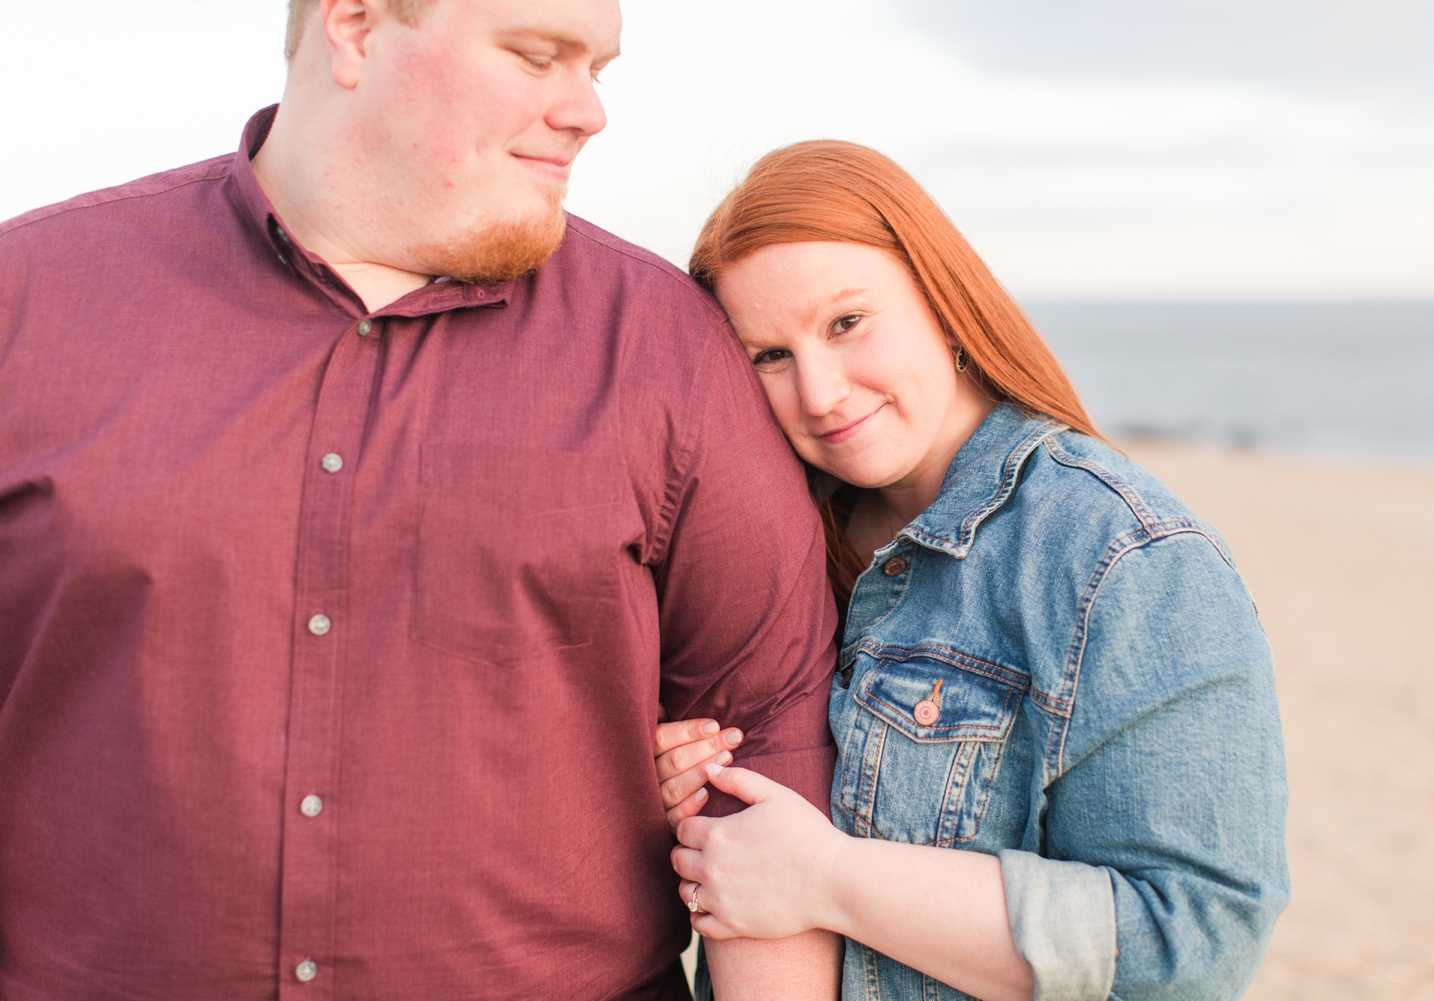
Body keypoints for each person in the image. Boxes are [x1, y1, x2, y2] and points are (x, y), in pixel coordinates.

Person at [0, 1, 842, 998]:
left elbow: (771, 736)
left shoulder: (666, 348)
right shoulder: (29, 298)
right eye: (538, 56)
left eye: (598, 68)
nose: (588, 111)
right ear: (354, 26)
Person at [653, 141, 1291, 1001]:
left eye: (846, 324)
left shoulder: (1127, 559)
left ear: (944, 302)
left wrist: (832, 876)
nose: (821, 392)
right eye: (769, 355)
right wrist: (676, 781)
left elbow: (1192, 941)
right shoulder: (773, 540)